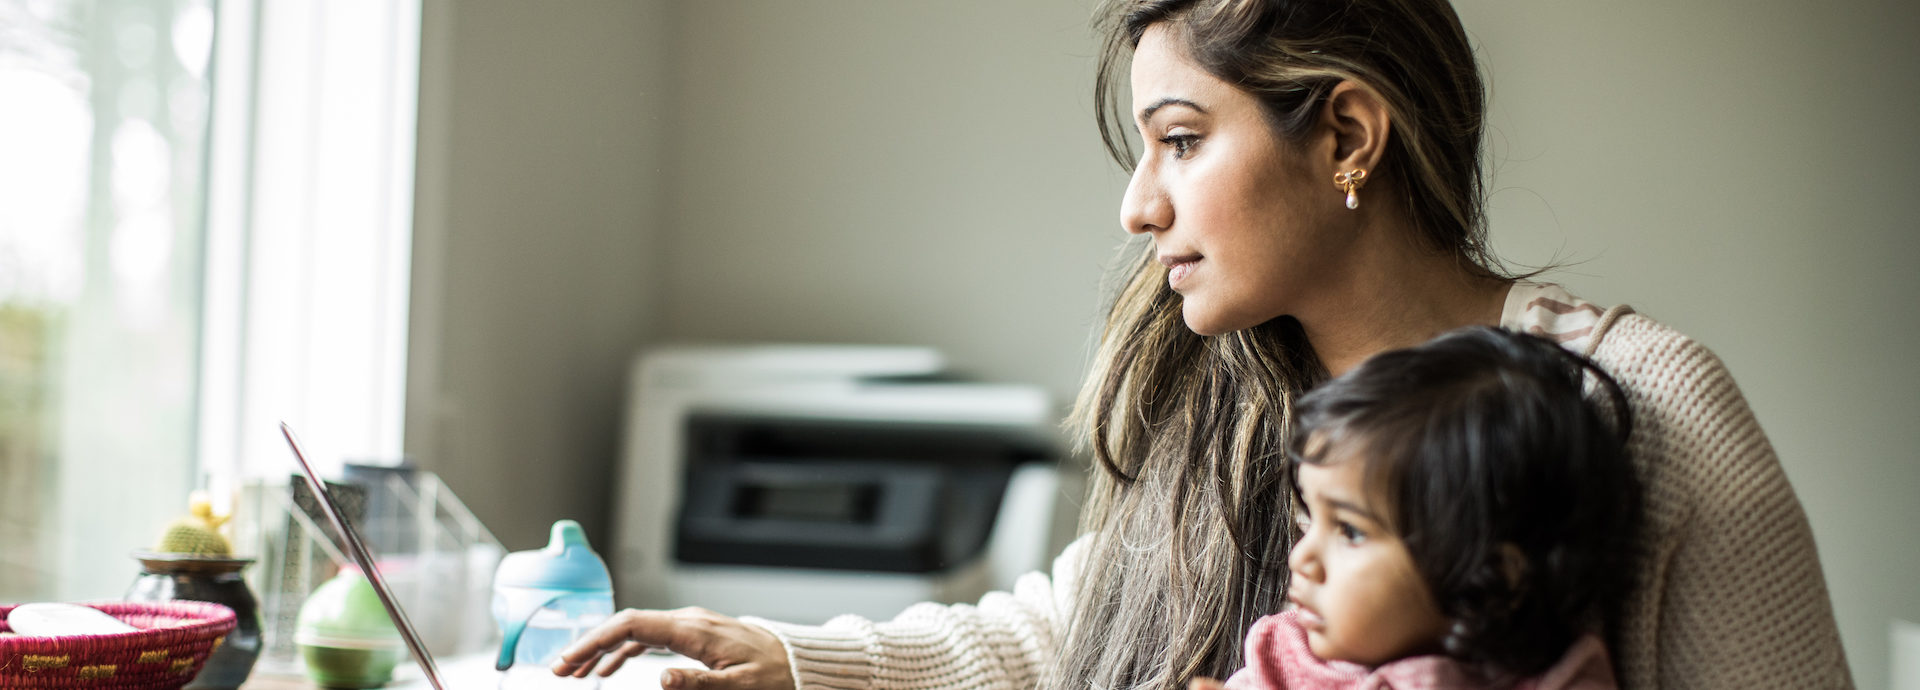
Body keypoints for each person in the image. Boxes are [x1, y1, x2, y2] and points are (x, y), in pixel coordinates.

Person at [553, 1, 1853, 689]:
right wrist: (788, 661)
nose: (1138, 204)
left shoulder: (1645, 406)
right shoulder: (1227, 387)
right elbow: (1076, 635)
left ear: (1346, 133)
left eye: (1181, 139)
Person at [1213, 326, 1635, 689]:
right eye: (1313, 520)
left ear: (1494, 579)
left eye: (1350, 530)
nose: (1301, 557)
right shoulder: (1284, 659)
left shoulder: (1560, 679)